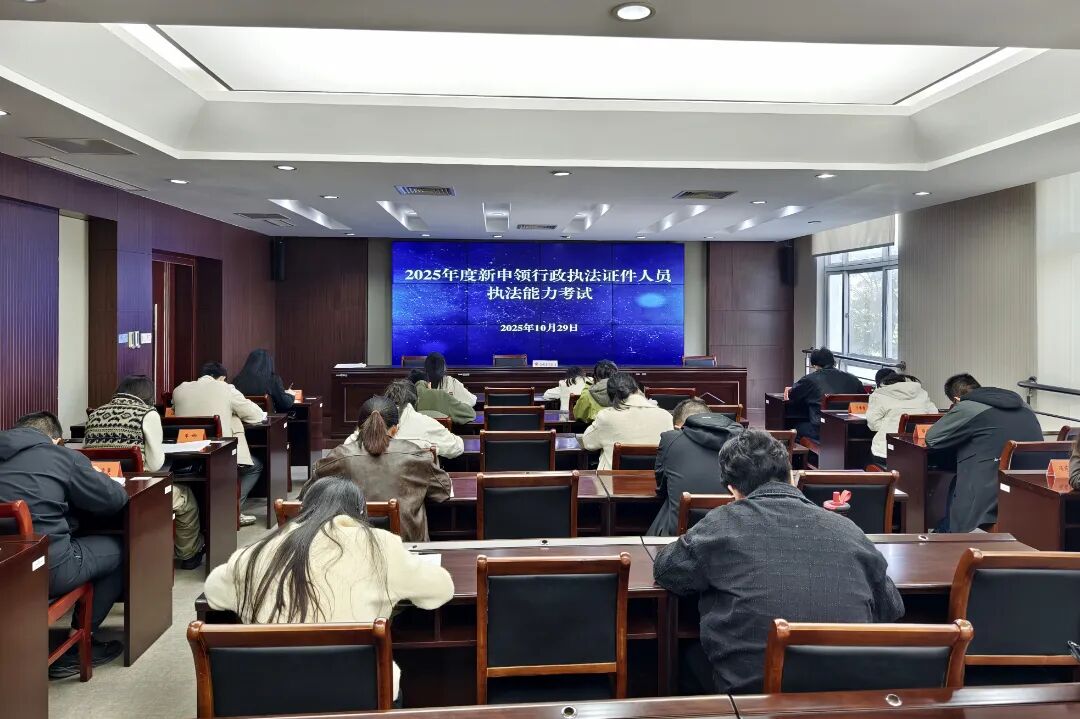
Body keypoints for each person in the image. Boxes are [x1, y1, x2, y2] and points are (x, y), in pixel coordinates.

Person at [652, 429, 904, 695]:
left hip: (755, 696)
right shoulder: (849, 529)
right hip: (847, 693)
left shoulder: (720, 524)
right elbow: (891, 607)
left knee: (688, 657)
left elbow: (667, 570)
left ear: (732, 489)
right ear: (791, 476)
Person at [204, 476, 453, 701]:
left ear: (302, 510)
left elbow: (213, 593)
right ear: (361, 513)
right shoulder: (381, 545)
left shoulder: (255, 552)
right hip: (359, 695)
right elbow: (440, 590)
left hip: (266, 697)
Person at [0, 412, 129, 677]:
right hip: (46, 570)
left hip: (6, 565)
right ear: (57, 440)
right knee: (122, 547)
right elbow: (115, 499)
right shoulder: (61, 456)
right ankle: (77, 647)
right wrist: (94, 474)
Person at [83, 375, 205, 568]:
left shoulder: (96, 413)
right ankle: (189, 554)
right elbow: (155, 465)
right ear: (148, 394)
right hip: (138, 492)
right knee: (185, 498)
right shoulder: (147, 414)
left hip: (98, 490)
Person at [309, 396, 452, 541]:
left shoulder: (339, 456)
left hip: (351, 545)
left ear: (358, 428)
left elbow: (308, 494)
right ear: (395, 429)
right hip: (406, 547)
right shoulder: (415, 455)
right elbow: (444, 489)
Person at [925, 373, 1042, 532]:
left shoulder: (968, 407)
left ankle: (949, 534)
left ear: (956, 399)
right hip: (1032, 484)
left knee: (958, 483)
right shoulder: (1024, 406)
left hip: (990, 490)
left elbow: (932, 439)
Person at [172, 362, 267, 527]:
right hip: (219, 454)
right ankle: (233, 510)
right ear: (222, 378)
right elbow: (256, 415)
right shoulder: (226, 389)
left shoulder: (179, 389)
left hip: (185, 455)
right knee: (255, 466)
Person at [647, 398, 743, 536]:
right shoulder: (744, 440)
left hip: (680, 535)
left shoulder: (671, 439)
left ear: (678, 428)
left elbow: (661, 488)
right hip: (735, 530)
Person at [346, 380, 463, 460]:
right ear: (416, 401)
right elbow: (456, 448)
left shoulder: (368, 425)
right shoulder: (427, 423)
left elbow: (347, 449)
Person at [581, 371, 674, 470]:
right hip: (656, 478)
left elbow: (588, 443)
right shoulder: (666, 416)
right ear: (637, 389)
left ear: (610, 397)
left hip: (613, 479)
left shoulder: (606, 417)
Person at [787, 347, 865, 440]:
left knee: (794, 427)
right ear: (833, 362)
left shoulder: (810, 380)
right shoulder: (853, 379)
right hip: (851, 430)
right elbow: (864, 398)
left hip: (821, 430)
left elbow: (793, 396)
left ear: (815, 365)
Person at [865, 372, 938, 466]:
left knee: (867, 456)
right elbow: (933, 416)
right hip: (919, 451)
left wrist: (887, 426)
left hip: (887, 452)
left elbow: (873, 425)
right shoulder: (922, 393)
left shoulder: (879, 395)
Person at [232, 349, 296, 413]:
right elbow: (285, 403)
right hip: (267, 418)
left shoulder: (237, 380)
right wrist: (291, 394)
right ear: (269, 363)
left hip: (242, 417)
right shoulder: (273, 380)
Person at [572, 359, 619, 423]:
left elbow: (578, 415)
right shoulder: (626, 393)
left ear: (595, 377)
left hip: (597, 428)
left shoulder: (587, 394)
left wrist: (587, 387)